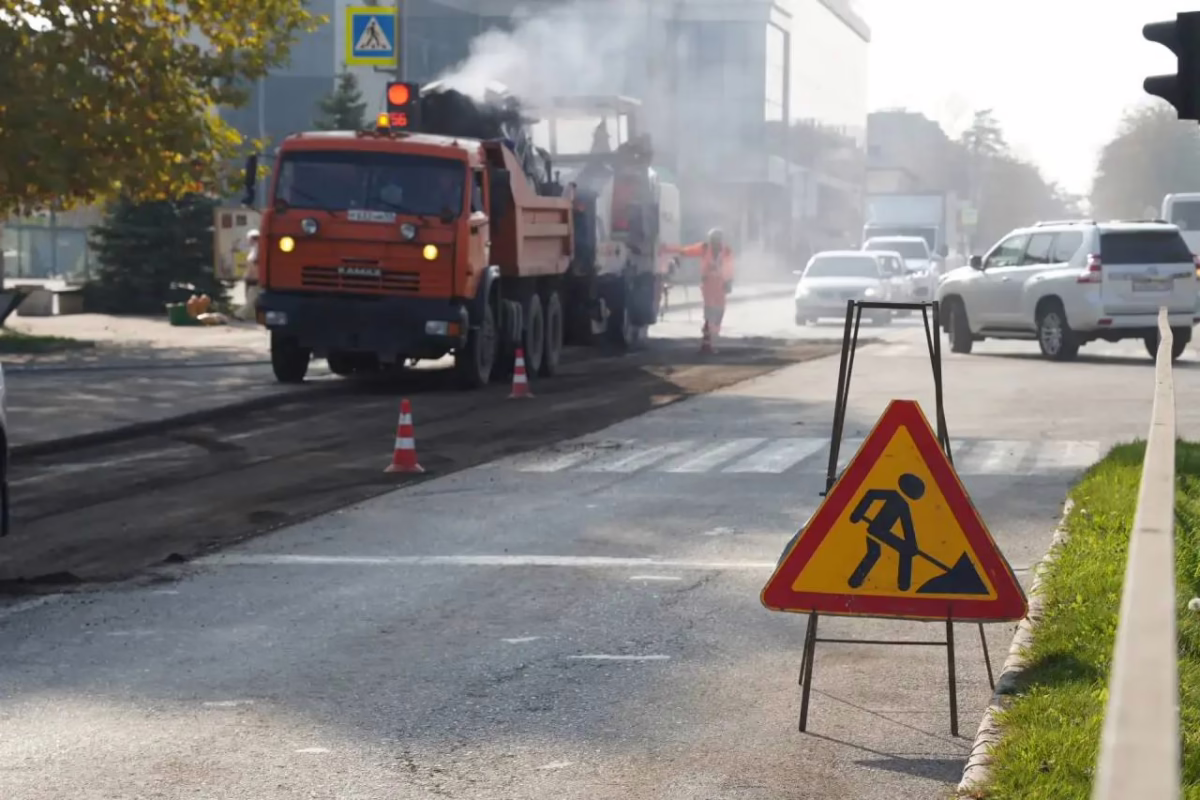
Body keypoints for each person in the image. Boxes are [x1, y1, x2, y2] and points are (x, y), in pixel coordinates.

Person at [663, 228, 734, 352]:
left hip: (720, 286)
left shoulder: (726, 251)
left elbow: (730, 267)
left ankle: (713, 336)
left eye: (716, 240)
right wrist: (668, 249)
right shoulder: (704, 248)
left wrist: (729, 282)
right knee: (709, 311)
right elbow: (686, 251)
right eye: (712, 240)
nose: (714, 242)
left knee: (719, 312)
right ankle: (707, 341)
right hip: (708, 285)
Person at [239, 229, 260, 322]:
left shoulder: (258, 249)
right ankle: (252, 315)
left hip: (255, 278)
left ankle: (240, 314)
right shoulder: (254, 249)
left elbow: (256, 264)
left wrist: (253, 275)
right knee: (251, 298)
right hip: (250, 277)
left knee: (251, 297)